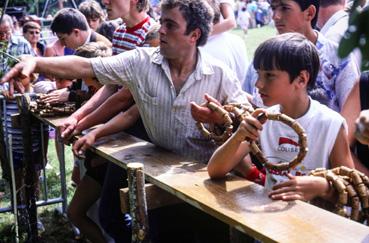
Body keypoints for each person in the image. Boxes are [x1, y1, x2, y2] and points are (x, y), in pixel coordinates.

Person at [1, 1, 248, 242]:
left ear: (194, 34)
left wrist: (223, 117)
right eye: (161, 22)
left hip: (206, 188)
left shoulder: (219, 74)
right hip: (162, 184)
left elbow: (246, 119)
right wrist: (36, 62)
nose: (161, 29)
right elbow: (86, 66)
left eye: (170, 25)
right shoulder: (142, 62)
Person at [208, 33, 354, 203]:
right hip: (270, 221)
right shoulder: (264, 120)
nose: (258, 84)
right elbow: (215, 170)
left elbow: (350, 189)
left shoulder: (331, 125)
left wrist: (322, 187)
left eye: (269, 75)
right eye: (258, 74)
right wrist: (238, 136)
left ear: (301, 79)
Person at [243, 0, 360, 169]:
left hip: (323, 165)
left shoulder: (338, 59)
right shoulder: (264, 57)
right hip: (271, 163)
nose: (276, 16)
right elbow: (254, 107)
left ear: (310, 13)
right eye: (273, 8)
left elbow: (347, 126)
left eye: (284, 8)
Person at [66, 41, 111, 243]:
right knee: (80, 213)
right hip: (96, 162)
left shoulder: (113, 91)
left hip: (108, 166)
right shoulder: (94, 90)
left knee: (107, 218)